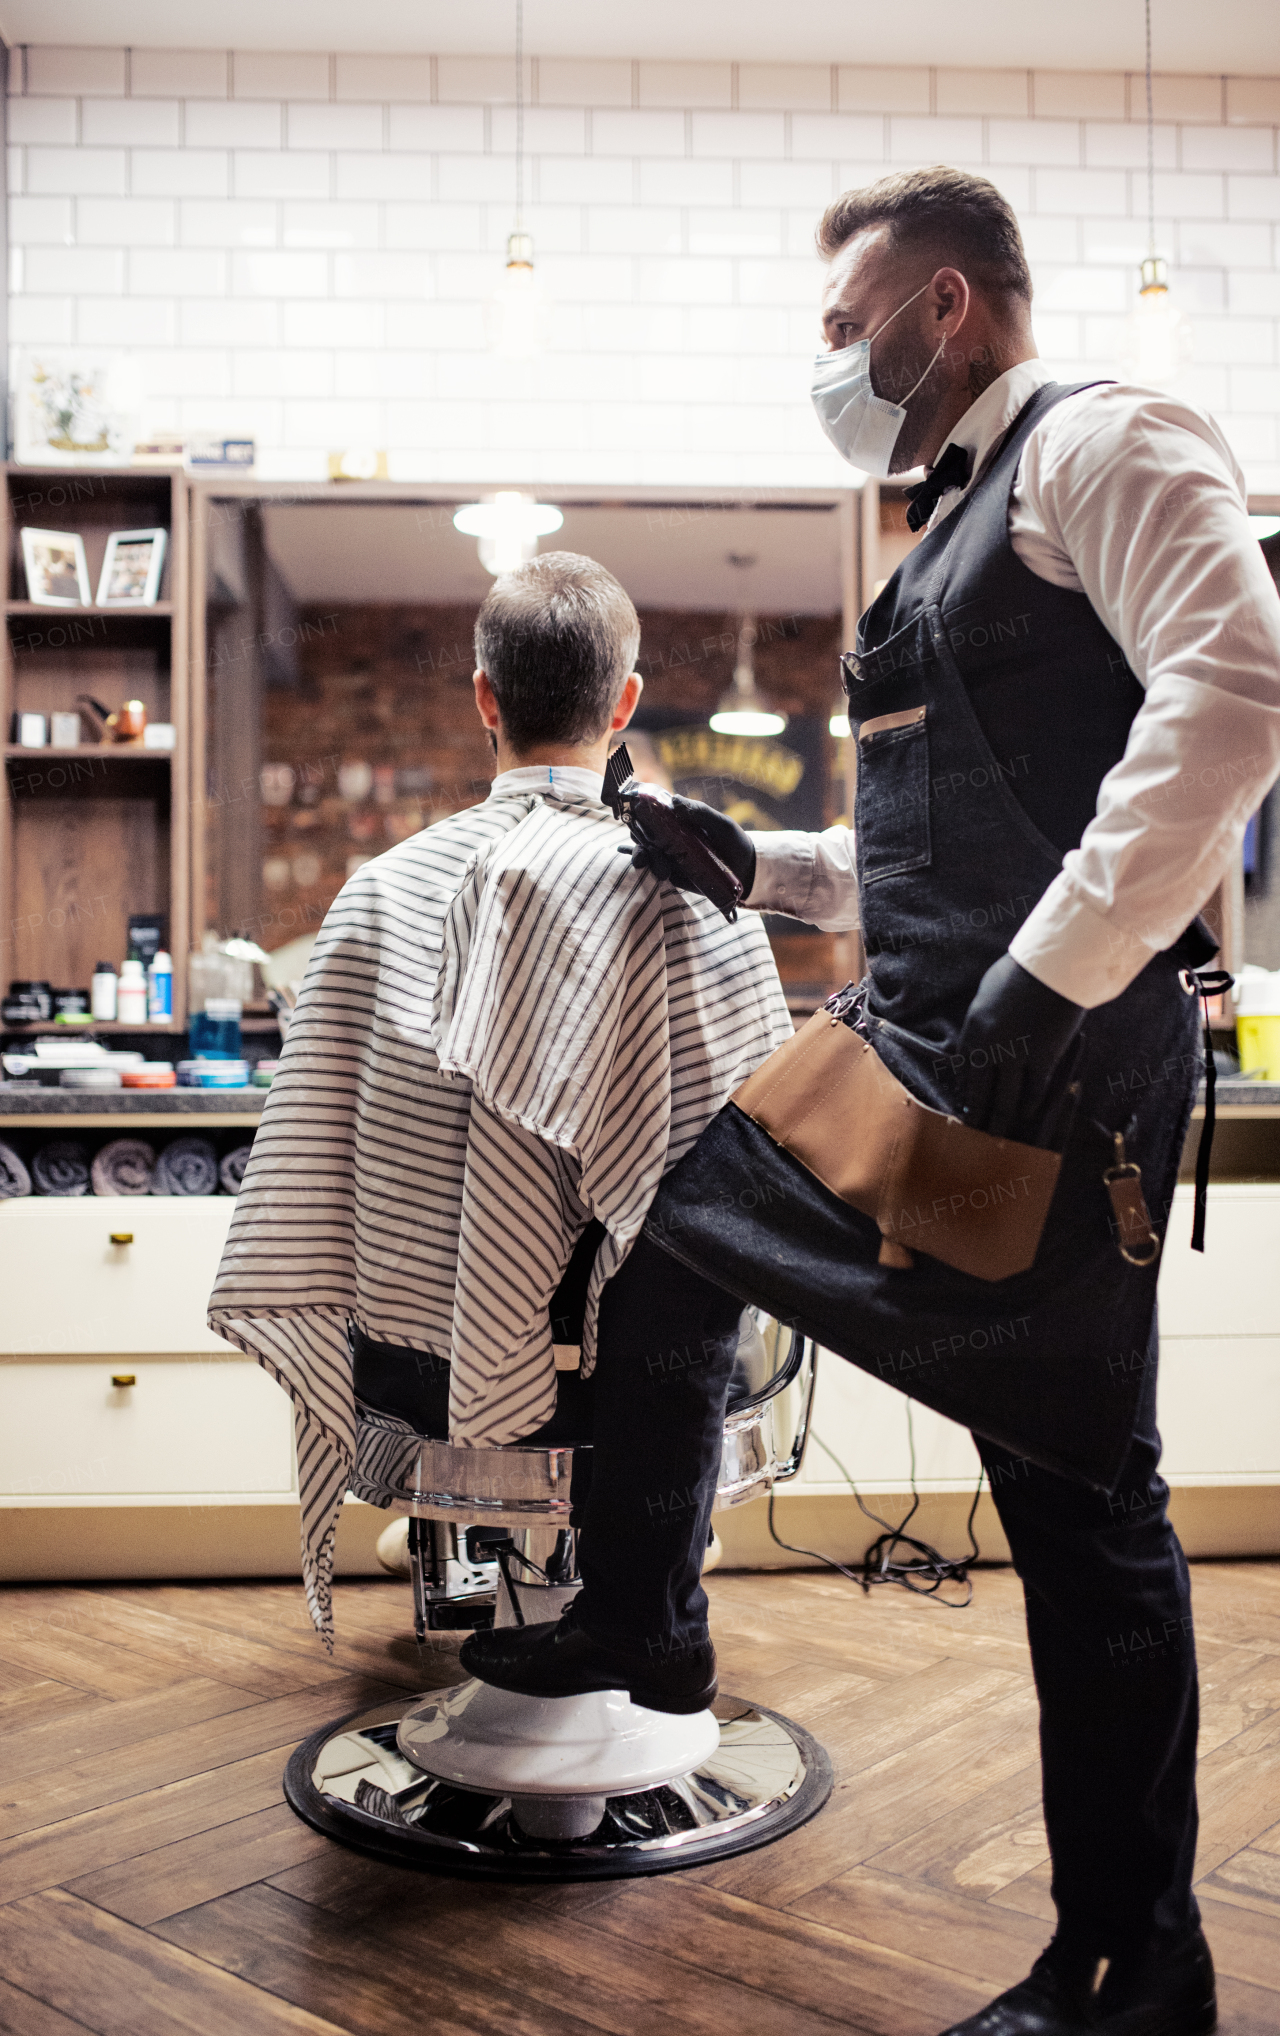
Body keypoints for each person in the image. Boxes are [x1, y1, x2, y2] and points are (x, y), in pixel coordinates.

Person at [603, 170, 1280, 2036]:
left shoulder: (1101, 444)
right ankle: (647, 1630)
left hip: (1058, 1064)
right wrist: (765, 864)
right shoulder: (951, 523)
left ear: (950, 307)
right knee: (677, 1222)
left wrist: (1049, 974)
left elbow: (1238, 687)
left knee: (1080, 1500)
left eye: (846, 328)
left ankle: (1136, 1961)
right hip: (926, 1035)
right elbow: (932, 850)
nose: (828, 361)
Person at [208, 551, 791, 1708]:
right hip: (649, 1385)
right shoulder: (692, 896)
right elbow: (757, 1157)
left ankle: (534, 1594)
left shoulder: (379, 895)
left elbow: (314, 1183)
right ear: (623, 703)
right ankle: (633, 1608)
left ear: (482, 695)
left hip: (416, 1372)